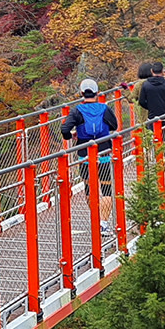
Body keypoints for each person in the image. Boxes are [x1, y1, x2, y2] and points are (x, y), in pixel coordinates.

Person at [64, 79, 119, 234]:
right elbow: (114, 126)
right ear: (97, 93)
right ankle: (104, 222)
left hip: (85, 154)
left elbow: (65, 130)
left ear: (82, 93)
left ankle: (96, 218)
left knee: (90, 188)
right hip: (104, 152)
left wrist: (72, 134)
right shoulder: (104, 108)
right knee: (107, 188)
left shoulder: (77, 111)